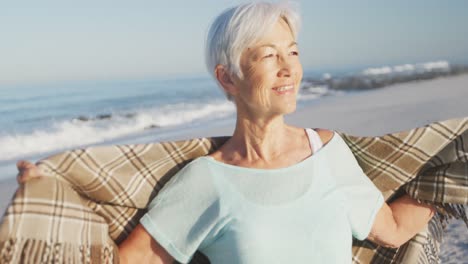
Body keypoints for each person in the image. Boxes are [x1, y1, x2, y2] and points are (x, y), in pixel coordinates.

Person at [17, 2, 436, 263]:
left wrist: (451, 171)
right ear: (228, 78)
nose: (288, 68)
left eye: (292, 52)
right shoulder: (205, 181)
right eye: (269, 56)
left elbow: (394, 228)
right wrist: (49, 199)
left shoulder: (327, 151)